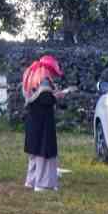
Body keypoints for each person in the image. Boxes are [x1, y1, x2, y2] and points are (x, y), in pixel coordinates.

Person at [21, 55, 71, 192]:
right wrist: (58, 95)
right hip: (43, 121)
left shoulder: (30, 77)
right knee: (45, 151)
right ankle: (43, 184)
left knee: (34, 151)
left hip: (32, 120)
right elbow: (46, 100)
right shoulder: (44, 80)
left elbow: (34, 98)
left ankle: (31, 181)